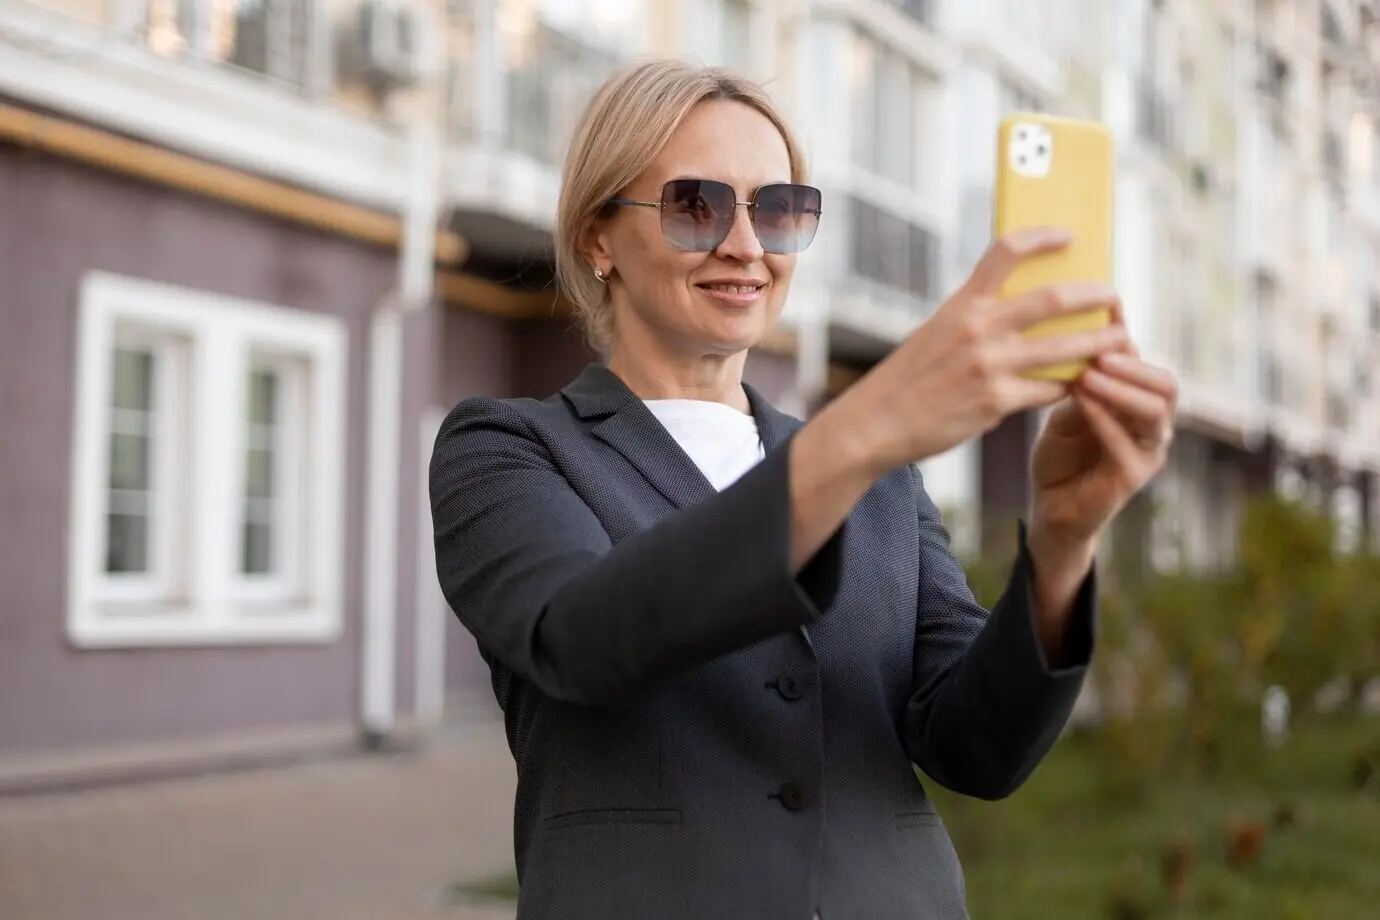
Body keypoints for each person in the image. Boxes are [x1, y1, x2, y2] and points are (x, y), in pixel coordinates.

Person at [429, 60, 1177, 920]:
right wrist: (862, 431)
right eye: (695, 206)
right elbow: (581, 637)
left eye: (779, 210)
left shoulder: (881, 476)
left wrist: (1062, 544)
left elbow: (979, 751)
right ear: (599, 238)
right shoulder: (511, 448)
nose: (746, 245)